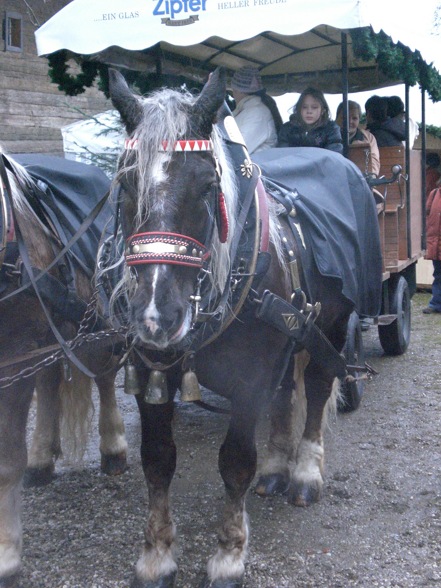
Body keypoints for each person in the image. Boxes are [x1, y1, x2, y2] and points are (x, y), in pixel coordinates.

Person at [230, 66, 283, 154]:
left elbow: (238, 150)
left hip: (255, 166)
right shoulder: (246, 110)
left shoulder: (256, 113)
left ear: (237, 90)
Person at [277, 87, 343, 153]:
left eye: (314, 107)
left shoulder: (331, 129)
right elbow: (282, 154)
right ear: (299, 109)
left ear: (323, 110)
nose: (309, 111)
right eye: (304, 107)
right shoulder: (287, 129)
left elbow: (334, 156)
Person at [336, 100, 380, 176]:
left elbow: (374, 165)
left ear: (359, 120)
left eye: (354, 118)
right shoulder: (329, 136)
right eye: (344, 117)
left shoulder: (368, 138)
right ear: (337, 118)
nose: (349, 121)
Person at [423, 184, 441, 314]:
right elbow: (426, 215)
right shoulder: (434, 193)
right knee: (438, 274)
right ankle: (436, 304)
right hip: (436, 244)